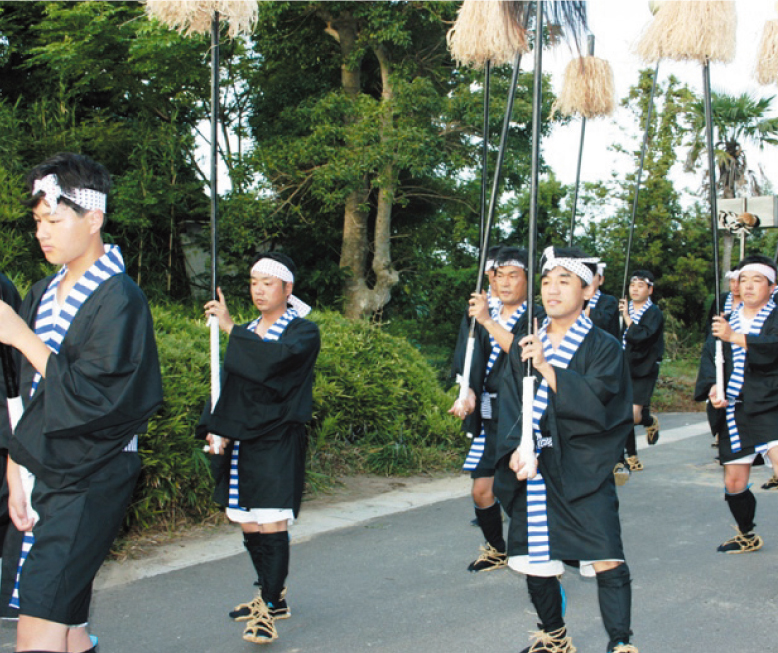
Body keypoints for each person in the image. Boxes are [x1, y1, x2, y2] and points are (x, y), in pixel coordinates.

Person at [0, 152, 163, 653]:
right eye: (37, 221)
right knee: (66, 624)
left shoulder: (120, 299)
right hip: (45, 468)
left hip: (92, 472)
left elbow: (100, 396)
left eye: (53, 220)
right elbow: (21, 394)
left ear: (93, 218)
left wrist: (26, 339)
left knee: (39, 622)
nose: (42, 233)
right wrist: (14, 471)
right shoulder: (42, 292)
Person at [495, 246, 636, 653]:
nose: (552, 290)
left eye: (564, 281)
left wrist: (547, 369)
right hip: (535, 461)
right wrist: (515, 449)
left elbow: (602, 400)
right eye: (545, 281)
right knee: (535, 558)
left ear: (588, 290)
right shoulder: (526, 341)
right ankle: (555, 636)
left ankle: (621, 642)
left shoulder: (604, 345)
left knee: (605, 552)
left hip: (581, 465)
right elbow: (509, 403)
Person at [198, 252, 320, 645]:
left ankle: (268, 605)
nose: (259, 290)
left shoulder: (302, 332)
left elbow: (273, 367)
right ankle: (272, 593)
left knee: (272, 522)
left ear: (288, 289)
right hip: (242, 439)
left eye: (268, 283)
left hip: (278, 438)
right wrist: (216, 427)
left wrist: (231, 328)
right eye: (253, 282)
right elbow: (229, 384)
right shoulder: (248, 330)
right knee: (246, 520)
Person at [450, 247, 534, 573]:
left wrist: (487, 320)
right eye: (499, 275)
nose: (505, 283)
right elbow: (470, 360)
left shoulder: (535, 316)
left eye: (514, 275)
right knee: (482, 490)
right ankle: (498, 548)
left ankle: (543, 546)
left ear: (528, 280)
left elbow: (521, 352)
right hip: (489, 414)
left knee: (514, 491)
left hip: (520, 415)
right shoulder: (482, 314)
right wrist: (468, 391)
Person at [695, 254, 778, 553]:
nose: (750, 286)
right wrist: (713, 387)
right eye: (744, 280)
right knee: (734, 482)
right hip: (734, 408)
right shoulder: (725, 321)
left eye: (758, 280)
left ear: (772, 286)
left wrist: (737, 337)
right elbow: (710, 360)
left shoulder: (775, 316)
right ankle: (747, 534)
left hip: (771, 404)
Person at [619, 270, 664, 471]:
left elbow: (642, 336)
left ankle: (648, 420)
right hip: (622, 366)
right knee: (625, 413)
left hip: (644, 369)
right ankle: (631, 456)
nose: (635, 289)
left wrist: (628, 320)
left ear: (650, 289)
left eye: (640, 285)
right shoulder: (623, 309)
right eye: (632, 285)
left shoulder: (654, 312)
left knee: (634, 415)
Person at [586, 261, 620, 340]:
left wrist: (584, 311)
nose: (588, 280)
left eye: (592, 275)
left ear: (601, 280)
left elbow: (603, 321)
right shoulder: (578, 299)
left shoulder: (609, 301)